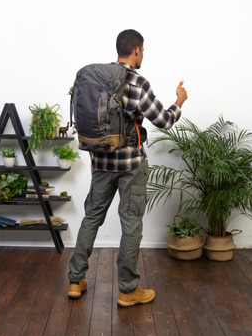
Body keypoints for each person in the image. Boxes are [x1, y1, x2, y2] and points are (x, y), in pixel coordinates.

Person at [68, 29, 188, 307]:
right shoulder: (137, 83)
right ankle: (128, 290)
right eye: (143, 50)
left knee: (91, 218)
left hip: (100, 162)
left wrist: (94, 159)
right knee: (131, 223)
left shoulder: (96, 80)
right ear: (136, 50)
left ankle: (75, 280)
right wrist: (179, 100)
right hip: (132, 163)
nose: (142, 55)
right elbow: (164, 121)